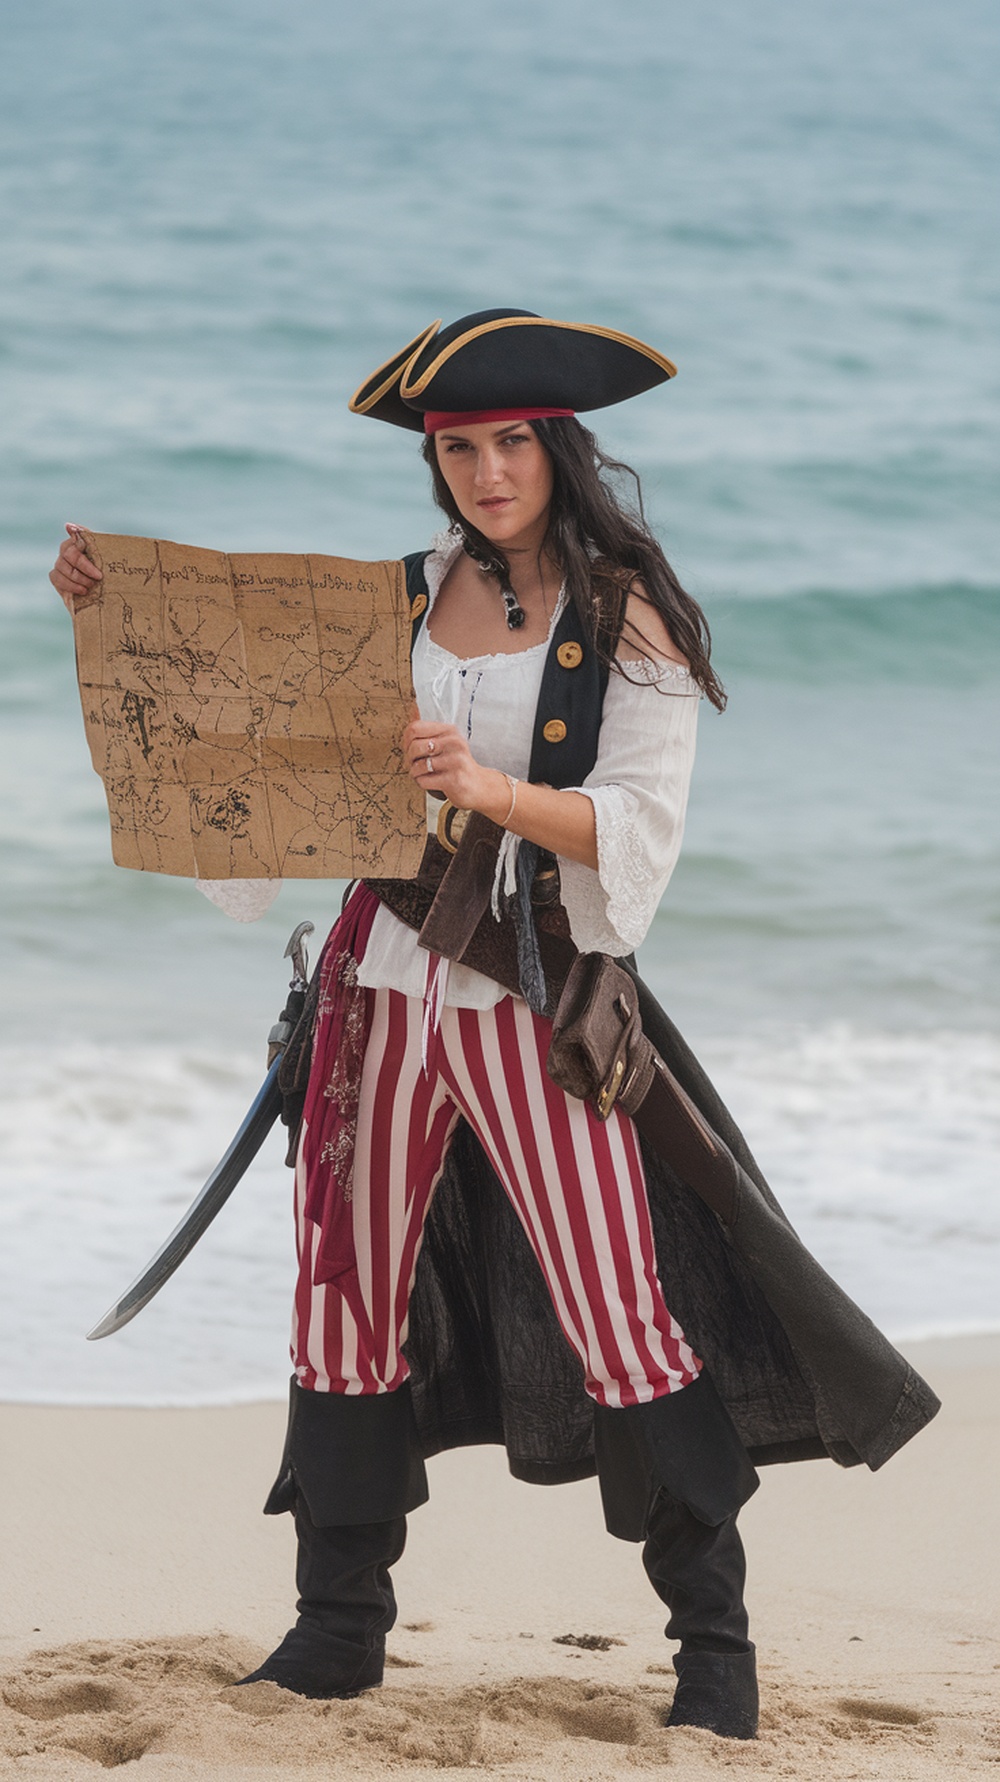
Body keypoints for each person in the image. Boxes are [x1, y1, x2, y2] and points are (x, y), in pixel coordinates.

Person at [49, 308, 939, 1743]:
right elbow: (249, 750)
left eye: (510, 440)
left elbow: (640, 832)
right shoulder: (389, 603)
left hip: (537, 1006)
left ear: (558, 444)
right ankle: (337, 1630)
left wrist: (485, 783)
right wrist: (115, 615)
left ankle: (715, 1646)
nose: (485, 470)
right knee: (341, 1295)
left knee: (618, 1305)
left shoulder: (624, 611)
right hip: (374, 993)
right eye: (458, 447)